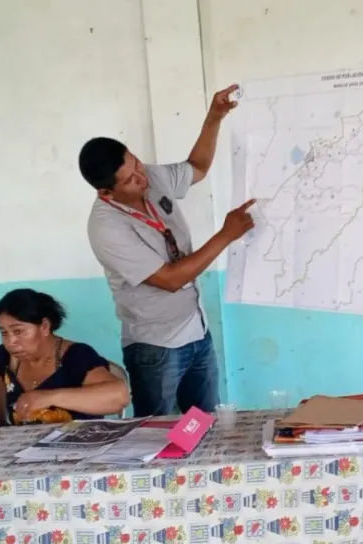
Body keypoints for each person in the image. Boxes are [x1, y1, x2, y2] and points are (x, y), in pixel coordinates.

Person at [79, 85, 255, 417]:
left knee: (204, 427)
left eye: (138, 165)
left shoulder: (151, 178)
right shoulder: (107, 227)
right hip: (156, 347)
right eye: (130, 179)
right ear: (106, 191)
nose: (142, 178)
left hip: (196, 331)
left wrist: (214, 116)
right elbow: (170, 279)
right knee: (159, 438)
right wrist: (226, 235)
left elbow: (198, 167)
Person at [0, 288, 128, 426]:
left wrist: (49, 397)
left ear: (44, 327)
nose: (11, 342)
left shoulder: (76, 356)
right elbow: (1, 422)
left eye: (18, 331)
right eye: (4, 333)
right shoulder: (2, 359)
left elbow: (119, 397)